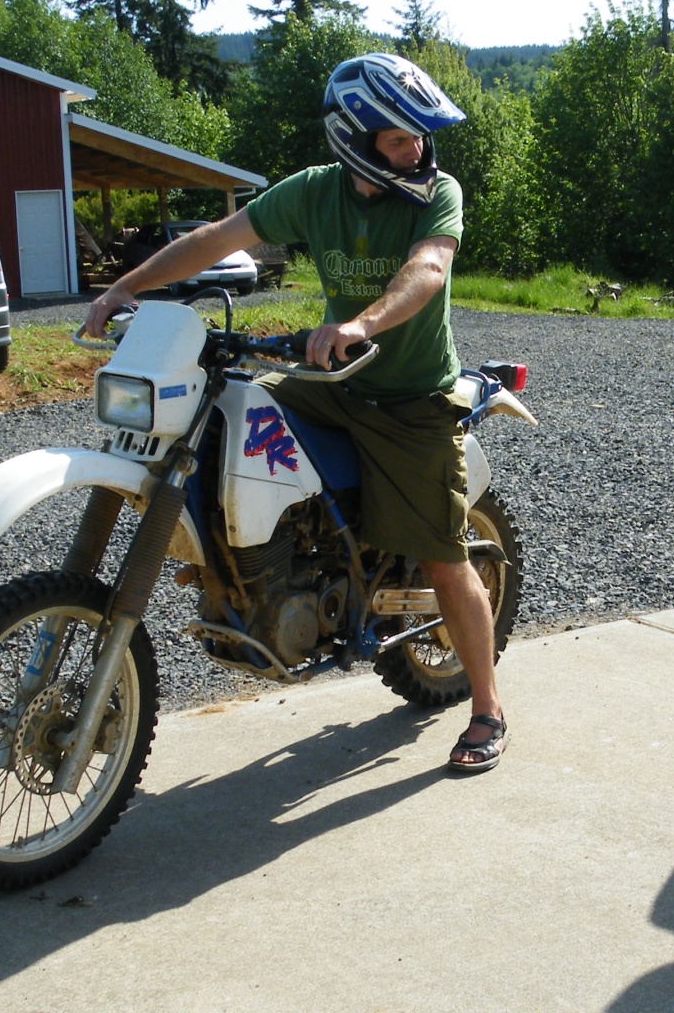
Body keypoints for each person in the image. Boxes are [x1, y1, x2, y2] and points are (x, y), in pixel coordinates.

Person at [84, 53, 511, 773]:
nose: (416, 149)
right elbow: (215, 240)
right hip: (333, 382)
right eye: (399, 138)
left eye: (418, 136)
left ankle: (488, 709)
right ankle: (269, 564)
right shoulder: (314, 192)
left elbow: (428, 269)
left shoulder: (437, 193)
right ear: (355, 138)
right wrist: (124, 288)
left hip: (410, 398)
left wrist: (361, 324)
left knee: (443, 558)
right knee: (230, 414)